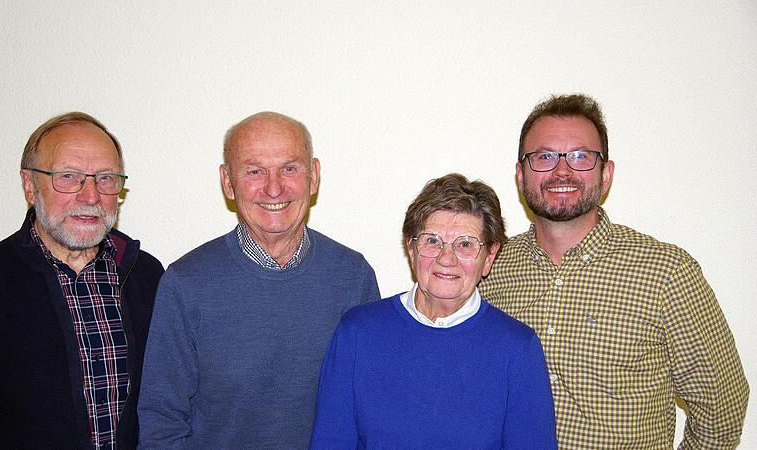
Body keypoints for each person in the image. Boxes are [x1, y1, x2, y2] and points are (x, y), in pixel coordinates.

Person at [478, 94, 749, 448]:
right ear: (520, 174)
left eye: (580, 157)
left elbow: (722, 407)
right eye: (544, 157)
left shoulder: (667, 273)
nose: (562, 171)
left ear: (606, 174)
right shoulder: (489, 268)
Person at [137, 111, 380, 449]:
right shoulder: (185, 284)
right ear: (227, 182)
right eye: (254, 171)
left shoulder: (352, 277)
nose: (273, 187)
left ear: (314, 177)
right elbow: (161, 421)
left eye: (289, 168)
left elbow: (368, 410)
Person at [0, 112, 164, 449]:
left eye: (106, 178)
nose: (90, 196)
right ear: (29, 185)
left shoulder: (149, 277)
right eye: (68, 177)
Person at [310, 173, 557, 449]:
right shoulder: (357, 332)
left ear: (489, 258)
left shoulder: (518, 349)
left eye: (465, 244)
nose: (446, 258)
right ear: (411, 249)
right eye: (432, 241)